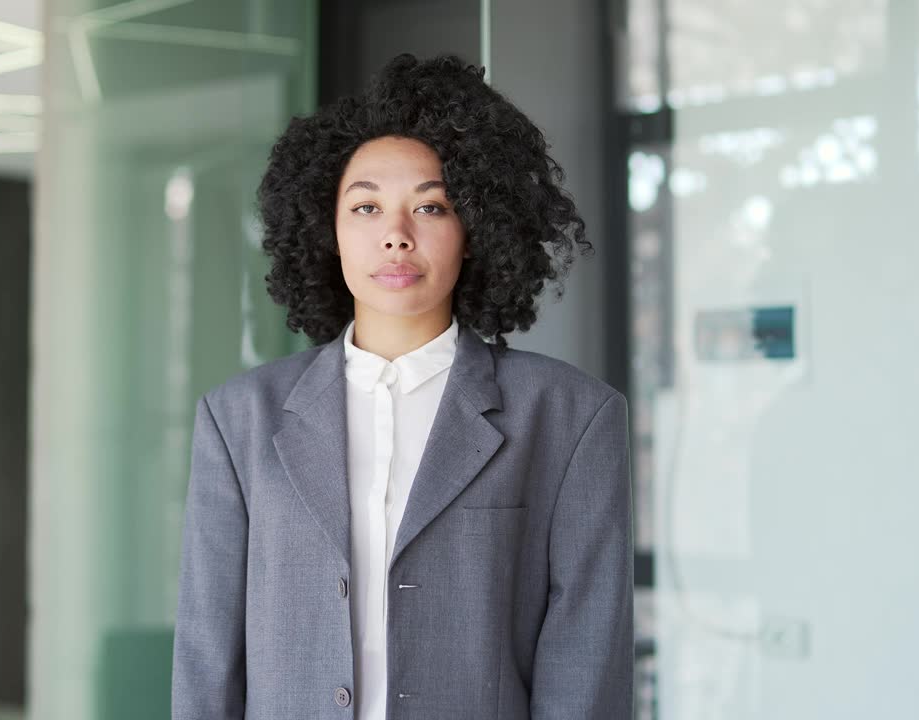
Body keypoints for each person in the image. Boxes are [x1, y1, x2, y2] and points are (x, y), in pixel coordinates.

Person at [172, 52, 632, 719]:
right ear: (327, 228)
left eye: (432, 207)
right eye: (365, 207)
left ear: (474, 231)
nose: (396, 236)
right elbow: (207, 655)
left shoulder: (570, 417)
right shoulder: (238, 419)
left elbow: (587, 658)